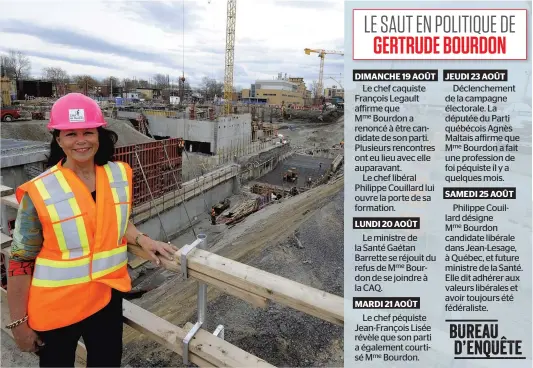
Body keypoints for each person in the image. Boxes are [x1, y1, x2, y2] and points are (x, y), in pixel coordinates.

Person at [6, 93, 177, 367]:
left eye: (88, 131)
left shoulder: (119, 174)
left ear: (100, 134)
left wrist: (141, 239)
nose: (81, 140)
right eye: (71, 134)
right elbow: (20, 260)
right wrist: (18, 323)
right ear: (58, 139)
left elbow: (116, 220)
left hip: (105, 300)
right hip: (56, 308)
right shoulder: (40, 191)